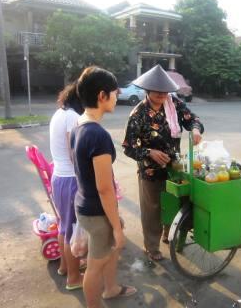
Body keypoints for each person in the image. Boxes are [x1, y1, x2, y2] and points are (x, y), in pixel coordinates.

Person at [122, 64, 204, 261]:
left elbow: (193, 119)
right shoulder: (138, 114)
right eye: (157, 91)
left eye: (164, 91)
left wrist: (195, 129)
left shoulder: (173, 103)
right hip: (150, 171)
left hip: (174, 167)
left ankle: (170, 234)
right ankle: (152, 247)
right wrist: (150, 152)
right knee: (152, 209)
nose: (161, 94)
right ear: (148, 90)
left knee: (173, 203)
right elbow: (129, 147)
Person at [71, 66, 137, 308]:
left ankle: (111, 290)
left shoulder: (79, 125)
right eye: (115, 92)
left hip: (86, 204)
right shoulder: (98, 135)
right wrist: (117, 229)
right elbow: (104, 188)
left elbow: (77, 166)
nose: (117, 96)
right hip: (96, 211)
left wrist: (115, 223)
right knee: (95, 265)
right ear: (102, 96)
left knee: (108, 252)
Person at [49, 82, 84, 290]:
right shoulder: (72, 116)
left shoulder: (59, 114)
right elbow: (74, 154)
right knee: (72, 230)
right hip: (71, 179)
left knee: (64, 226)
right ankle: (73, 278)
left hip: (59, 178)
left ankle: (64, 267)